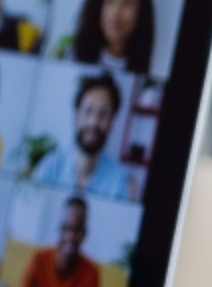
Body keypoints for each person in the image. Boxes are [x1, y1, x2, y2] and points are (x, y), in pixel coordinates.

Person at [30, 72, 138, 200]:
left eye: (103, 114)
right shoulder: (49, 167)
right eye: (88, 111)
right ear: (76, 116)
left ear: (112, 123)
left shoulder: (120, 183)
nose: (93, 122)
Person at [20, 196, 101, 287]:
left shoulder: (91, 272)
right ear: (59, 229)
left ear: (84, 234)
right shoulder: (39, 259)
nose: (70, 237)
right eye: (66, 228)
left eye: (77, 230)